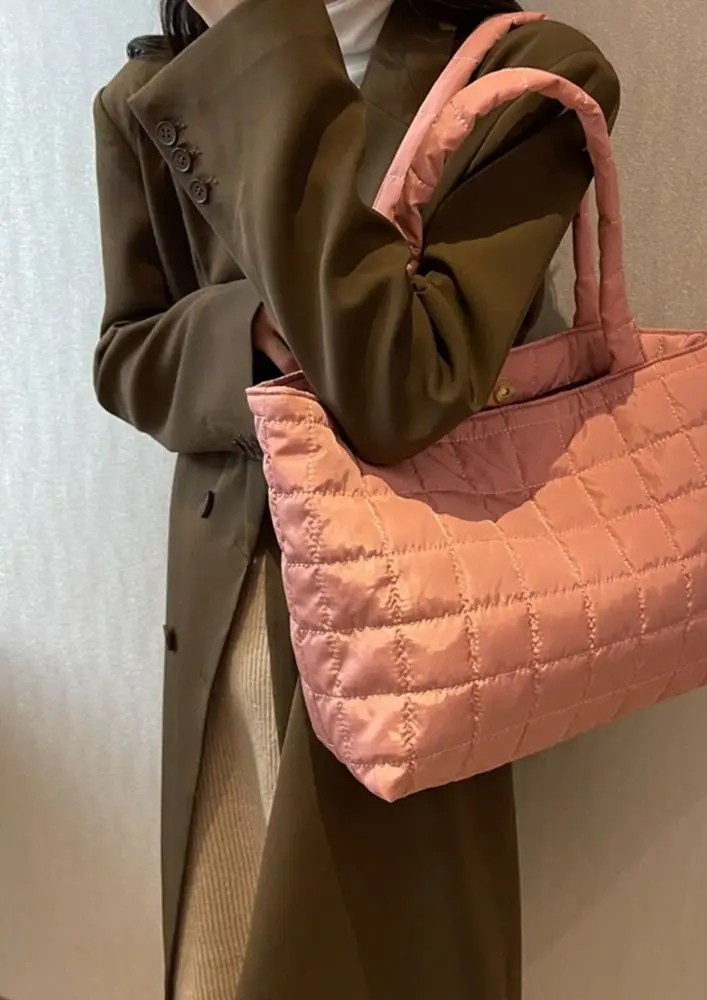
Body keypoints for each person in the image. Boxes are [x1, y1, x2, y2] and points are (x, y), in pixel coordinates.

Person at [92, 0, 619, 997]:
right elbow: (127, 354)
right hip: (235, 618)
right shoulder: (150, 88)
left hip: (416, 625)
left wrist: (264, 42)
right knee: (220, 959)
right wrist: (247, 330)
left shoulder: (524, 78)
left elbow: (402, 383)